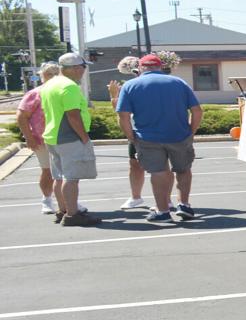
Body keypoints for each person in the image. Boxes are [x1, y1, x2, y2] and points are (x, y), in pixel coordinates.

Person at [115, 53, 204, 223]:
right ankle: (184, 204)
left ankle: (163, 211)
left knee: (158, 173)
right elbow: (197, 111)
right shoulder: (178, 82)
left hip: (147, 137)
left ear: (141, 67)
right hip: (179, 135)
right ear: (160, 66)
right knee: (183, 170)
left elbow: (123, 115)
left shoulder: (130, 85)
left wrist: (131, 136)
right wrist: (191, 131)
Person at [39, 52, 99, 227]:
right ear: (74, 68)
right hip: (68, 137)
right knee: (71, 178)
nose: (83, 71)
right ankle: (73, 215)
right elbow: (73, 115)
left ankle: (63, 210)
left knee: (59, 177)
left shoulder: (50, 84)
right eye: (82, 67)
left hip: (52, 136)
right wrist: (84, 138)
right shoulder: (69, 86)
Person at [15, 62, 64, 215]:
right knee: (48, 171)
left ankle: (68, 201)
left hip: (64, 138)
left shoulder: (63, 91)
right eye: (48, 75)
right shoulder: (35, 94)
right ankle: (47, 200)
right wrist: (28, 137)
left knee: (67, 173)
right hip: (42, 139)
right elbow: (21, 116)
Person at [107, 56, 150, 210]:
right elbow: (121, 111)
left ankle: (166, 199)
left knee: (162, 165)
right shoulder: (130, 86)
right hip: (135, 130)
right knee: (134, 165)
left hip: (153, 129)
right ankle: (136, 197)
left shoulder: (150, 86)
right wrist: (114, 96)